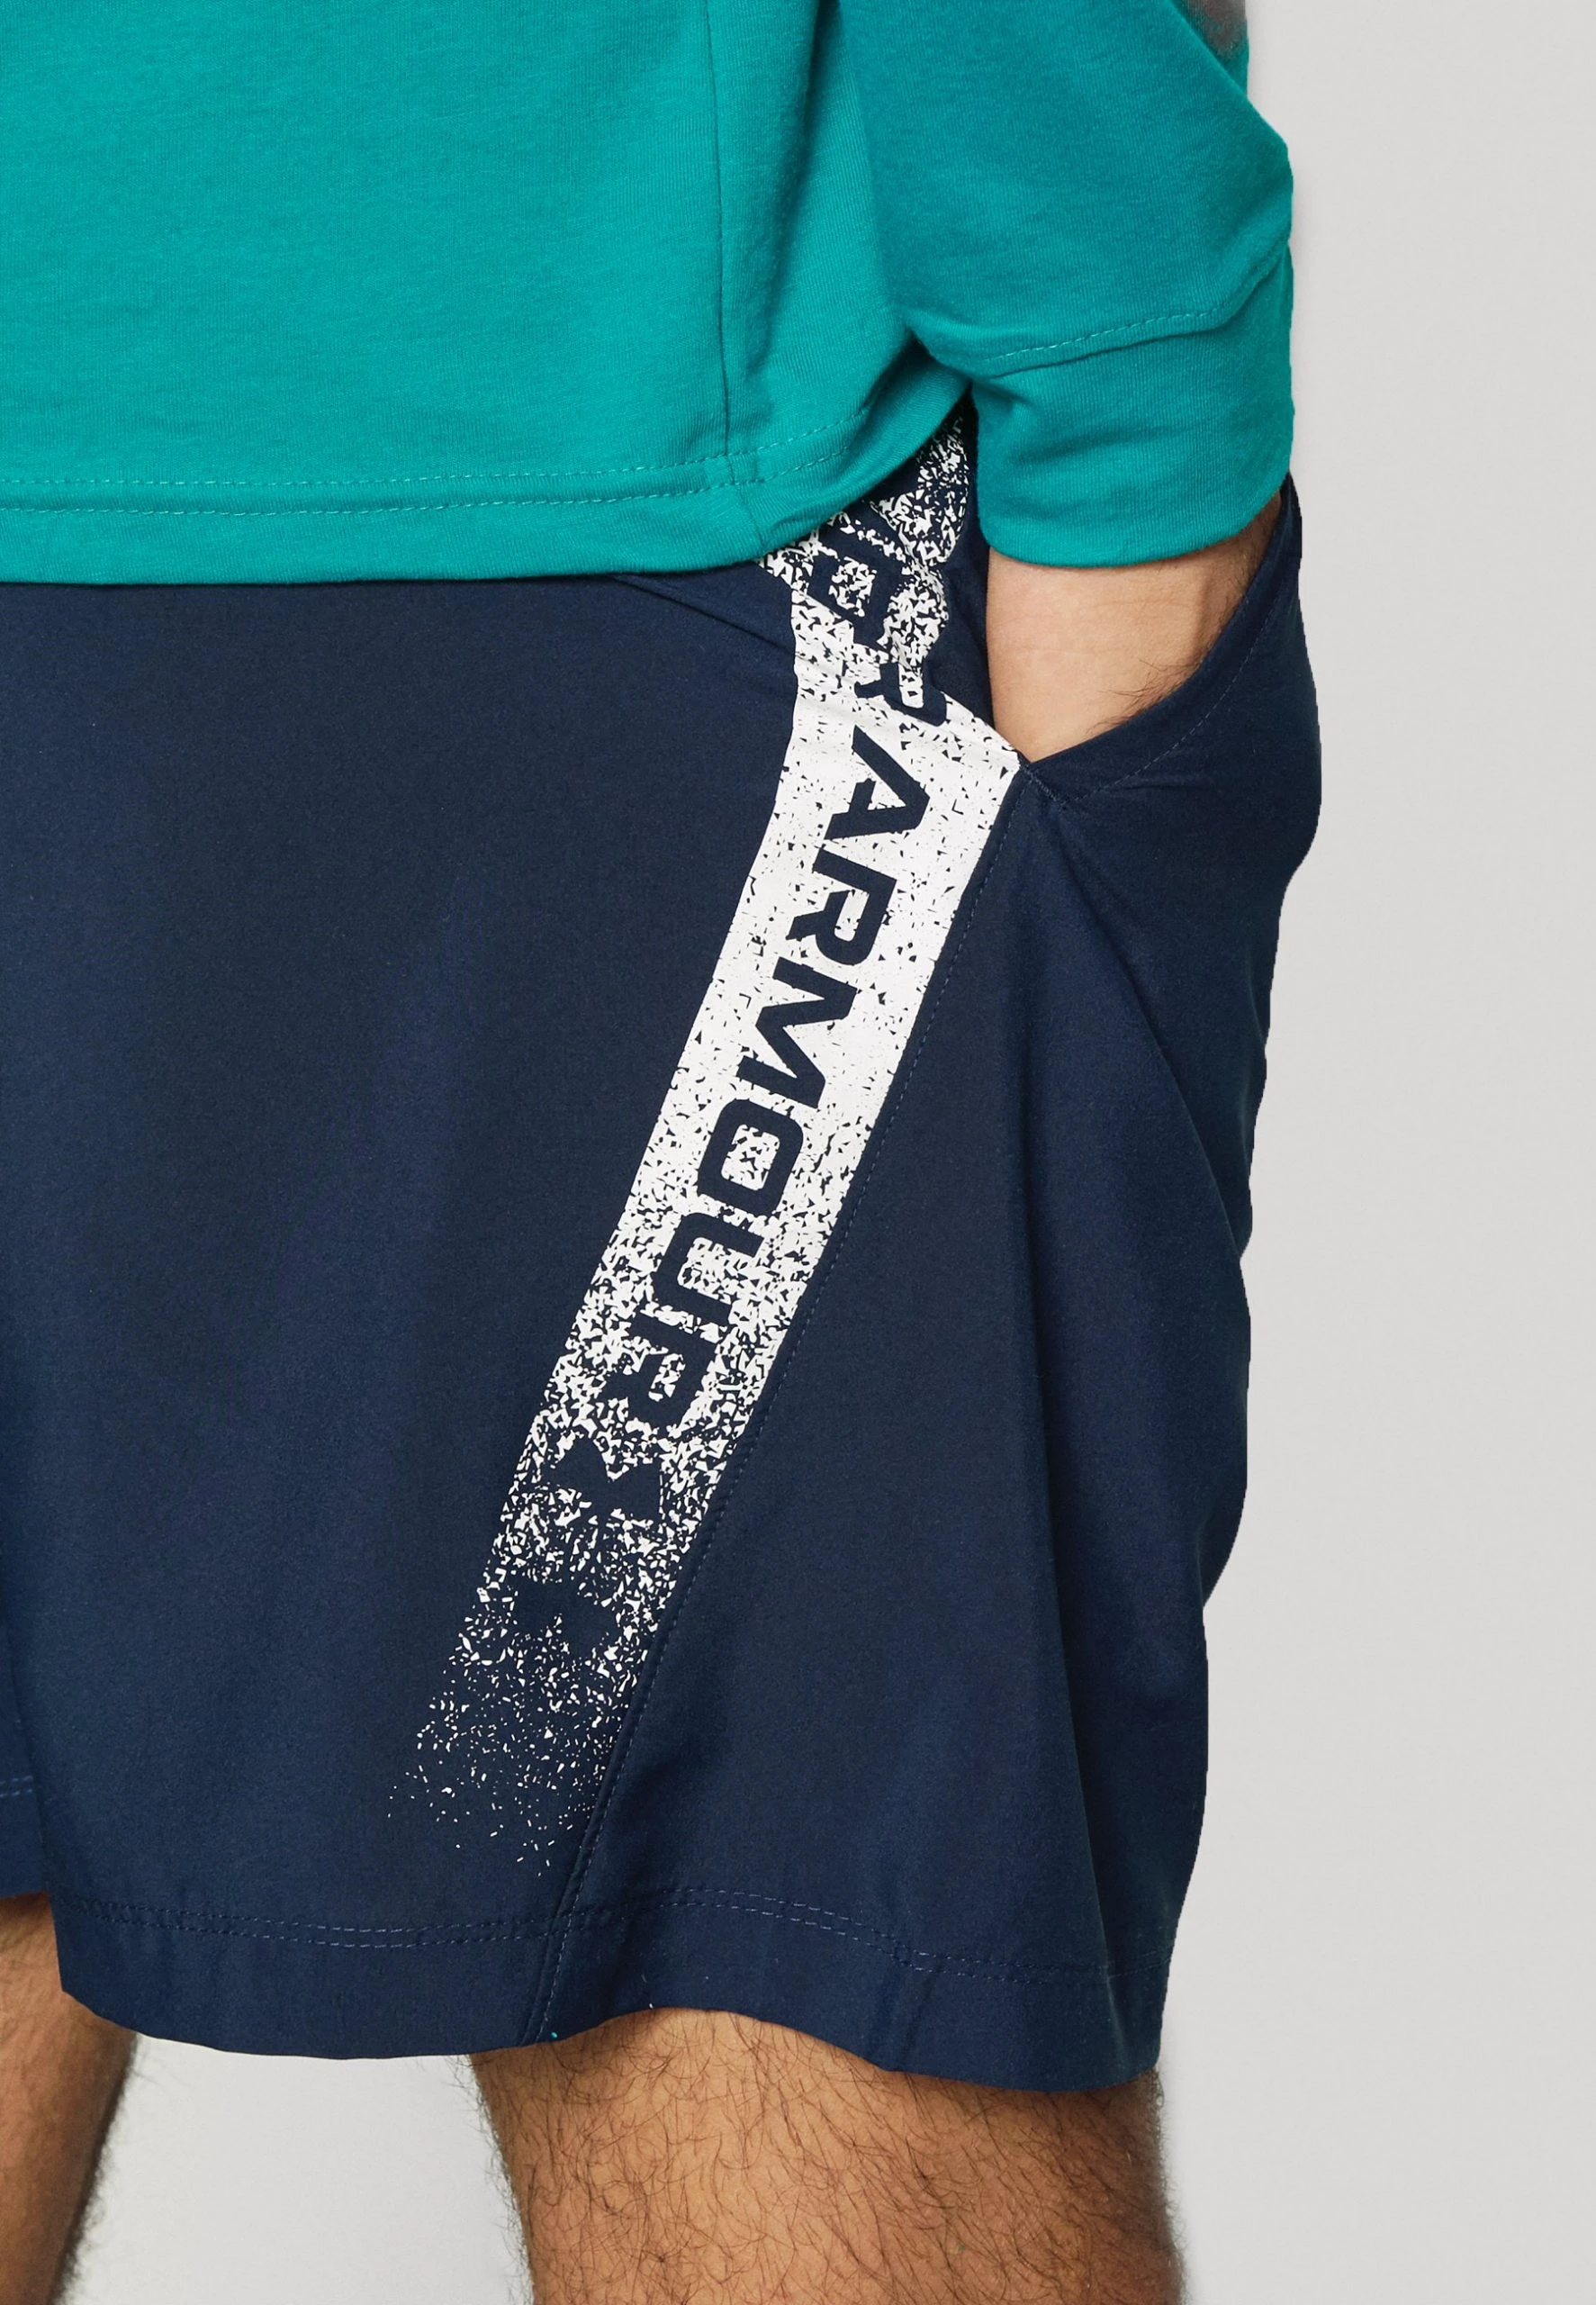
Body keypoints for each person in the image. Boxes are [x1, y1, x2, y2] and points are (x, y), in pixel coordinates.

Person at [0, 4, 1317, 2298]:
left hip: (571, 487)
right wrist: (1131, 381)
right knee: (782, 1941)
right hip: (597, 459)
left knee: (764, 1912)